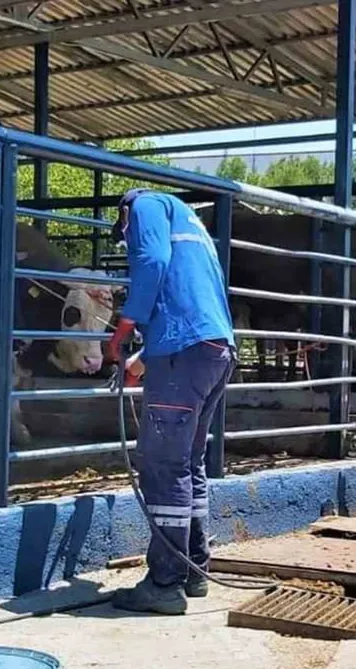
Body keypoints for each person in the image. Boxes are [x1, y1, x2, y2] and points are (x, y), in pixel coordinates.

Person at [105, 189, 237, 616]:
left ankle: (164, 582)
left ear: (124, 214)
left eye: (124, 235)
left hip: (184, 356)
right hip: (213, 351)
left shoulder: (144, 206)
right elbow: (187, 308)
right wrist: (144, 364)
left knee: (162, 466)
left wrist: (124, 330)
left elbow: (151, 262)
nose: (128, 241)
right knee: (188, 462)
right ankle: (194, 568)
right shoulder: (192, 226)